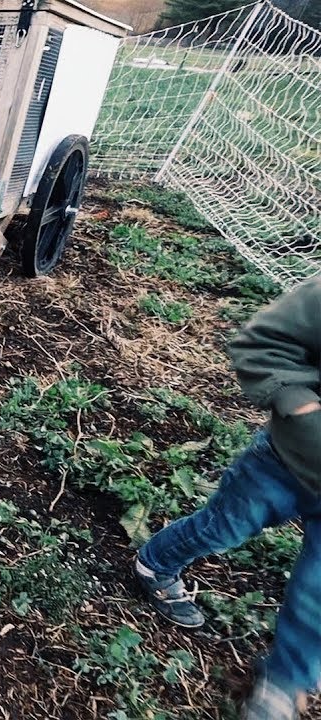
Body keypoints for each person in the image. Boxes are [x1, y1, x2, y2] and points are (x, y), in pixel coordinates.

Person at [133, 278, 320, 719]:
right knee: (224, 526)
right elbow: (262, 341)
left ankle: (281, 687)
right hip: (285, 462)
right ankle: (155, 562)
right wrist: (301, 408)